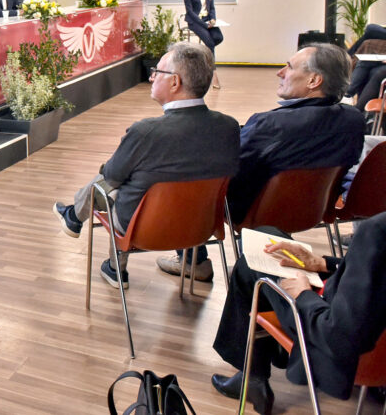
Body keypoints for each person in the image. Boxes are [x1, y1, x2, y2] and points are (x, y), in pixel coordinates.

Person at [157, 43, 365, 281]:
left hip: (254, 212)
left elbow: (233, 170)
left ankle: (193, 262)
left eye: (289, 67)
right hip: (315, 209)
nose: (280, 73)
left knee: (186, 170)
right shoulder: (354, 120)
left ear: (314, 81)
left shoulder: (270, 125)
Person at [52, 42, 240, 288]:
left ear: (174, 82)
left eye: (157, 72)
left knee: (112, 186)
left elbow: (111, 176)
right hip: (201, 227)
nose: (151, 77)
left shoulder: (145, 132)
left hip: (143, 229)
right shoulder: (229, 127)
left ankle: (112, 265)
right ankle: (195, 262)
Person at [210, 212, 386, 414]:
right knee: (269, 236)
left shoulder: (376, 232)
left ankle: (252, 376)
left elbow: (336, 335)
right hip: (360, 314)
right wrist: (323, 263)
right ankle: (258, 369)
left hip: (327, 328)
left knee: (250, 264)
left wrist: (303, 295)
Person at [183, 0, 224, 88]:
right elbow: (190, 11)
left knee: (218, 38)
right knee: (210, 43)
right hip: (195, 21)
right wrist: (204, 25)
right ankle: (213, 75)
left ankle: (203, 55)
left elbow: (212, 8)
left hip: (207, 20)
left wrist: (213, 19)